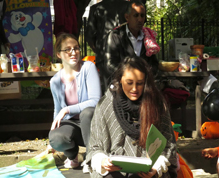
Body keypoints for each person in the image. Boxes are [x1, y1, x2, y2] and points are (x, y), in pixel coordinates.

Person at [86, 56, 178, 178]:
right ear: (120, 80)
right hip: (114, 172)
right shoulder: (105, 105)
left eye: (140, 84)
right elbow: (94, 147)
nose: (134, 89)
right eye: (129, 83)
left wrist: (156, 166)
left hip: (148, 171)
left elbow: (168, 145)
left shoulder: (157, 104)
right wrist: (103, 161)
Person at [47, 33, 101, 173]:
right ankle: (72, 156)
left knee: (87, 112)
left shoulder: (88, 67)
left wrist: (67, 109)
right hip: (71, 124)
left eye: (76, 48)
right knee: (56, 138)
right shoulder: (55, 81)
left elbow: (95, 101)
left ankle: (91, 157)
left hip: (91, 124)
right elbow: (58, 110)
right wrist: (53, 132)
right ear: (59, 54)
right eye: (68, 49)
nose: (73, 52)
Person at [104, 0, 159, 89]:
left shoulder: (149, 38)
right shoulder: (116, 36)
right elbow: (110, 65)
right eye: (136, 15)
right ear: (127, 17)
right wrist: (130, 75)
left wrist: (144, 75)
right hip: (121, 87)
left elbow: (154, 64)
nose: (140, 19)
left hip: (144, 87)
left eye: (142, 15)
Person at [86, 0, 130, 93]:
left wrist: (98, 49)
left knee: (107, 91)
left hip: (103, 57)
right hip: (126, 54)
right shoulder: (129, 6)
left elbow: (89, 36)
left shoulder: (95, 9)